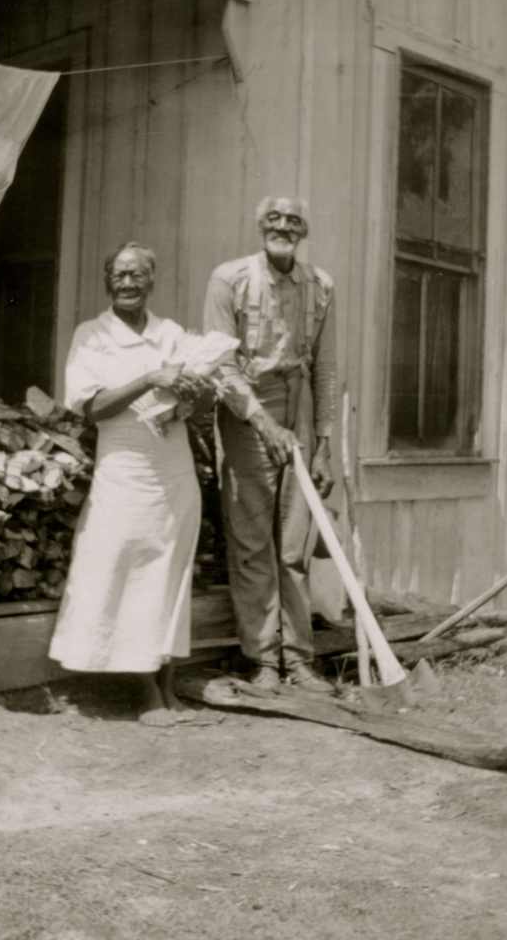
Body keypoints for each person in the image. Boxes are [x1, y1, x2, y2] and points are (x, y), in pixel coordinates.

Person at [49, 241, 206, 725]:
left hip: (173, 467)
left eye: (138, 274)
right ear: (106, 281)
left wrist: (190, 397)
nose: (129, 282)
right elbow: (92, 407)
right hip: (125, 469)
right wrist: (148, 378)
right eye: (119, 274)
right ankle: (145, 695)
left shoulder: (171, 333)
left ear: (152, 281)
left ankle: (169, 687)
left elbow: (191, 396)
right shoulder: (92, 336)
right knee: (129, 572)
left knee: (172, 575)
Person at [203, 196, 337, 694]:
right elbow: (221, 364)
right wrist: (262, 423)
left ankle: (300, 660)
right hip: (246, 410)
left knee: (295, 544)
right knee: (253, 542)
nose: (283, 227)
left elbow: (325, 367)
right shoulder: (229, 279)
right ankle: (262, 660)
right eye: (273, 220)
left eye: (294, 221)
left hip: (298, 409)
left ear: (303, 232)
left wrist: (322, 443)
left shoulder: (320, 286)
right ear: (260, 226)